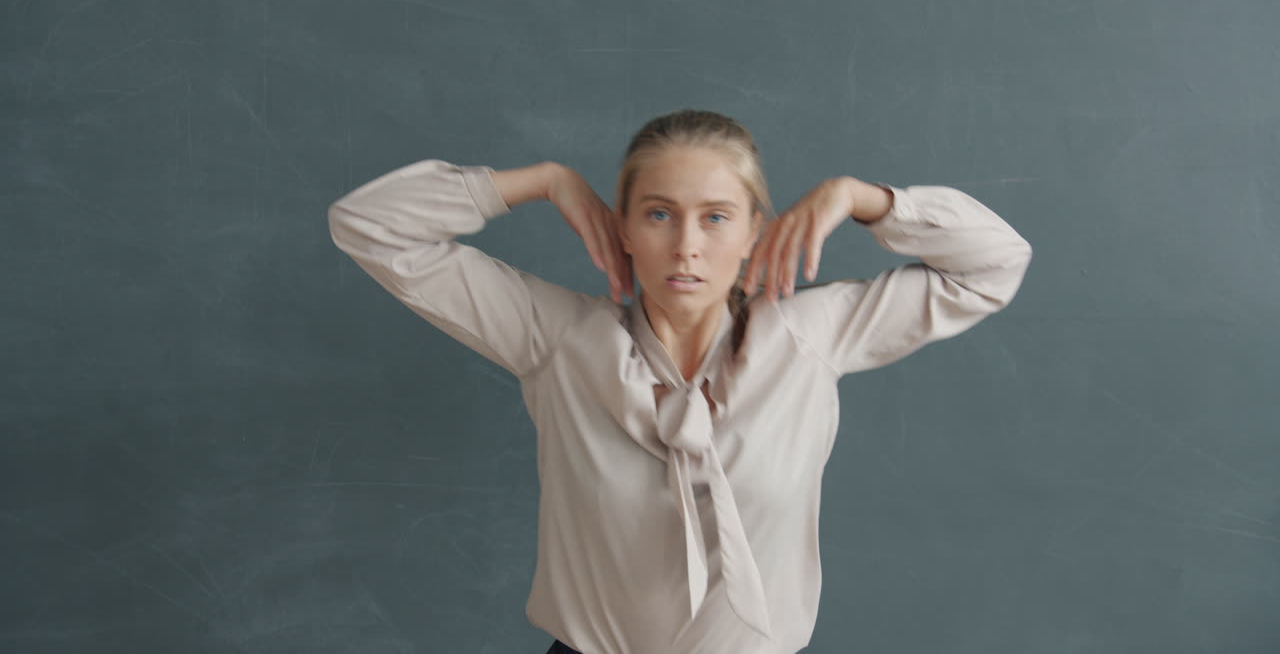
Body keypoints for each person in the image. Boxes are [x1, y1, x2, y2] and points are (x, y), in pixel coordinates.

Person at [327, 109, 1032, 654]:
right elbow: (368, 226)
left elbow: (996, 263)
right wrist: (544, 182)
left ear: (758, 229)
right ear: (623, 227)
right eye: (659, 214)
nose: (687, 245)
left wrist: (865, 198)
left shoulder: (810, 337)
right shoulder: (560, 340)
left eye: (716, 218)